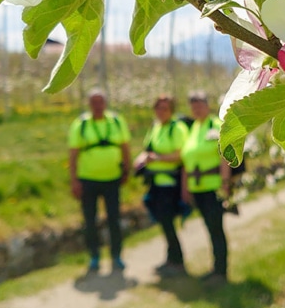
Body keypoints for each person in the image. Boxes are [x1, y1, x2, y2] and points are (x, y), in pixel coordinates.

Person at [68, 88, 131, 273]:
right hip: (88, 180)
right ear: (89, 105)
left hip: (112, 180)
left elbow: (125, 148)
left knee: (114, 219)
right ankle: (94, 256)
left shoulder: (117, 122)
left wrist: (126, 170)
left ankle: (116, 255)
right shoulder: (80, 125)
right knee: (90, 220)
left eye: (100, 102)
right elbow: (72, 155)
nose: (97, 106)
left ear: (105, 103)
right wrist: (74, 181)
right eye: (93, 102)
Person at [134, 95, 189, 278]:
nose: (161, 112)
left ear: (171, 110)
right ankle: (171, 258)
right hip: (155, 183)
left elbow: (181, 154)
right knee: (164, 223)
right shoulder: (155, 127)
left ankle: (177, 260)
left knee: (167, 221)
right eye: (158, 108)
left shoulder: (177, 128)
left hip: (170, 184)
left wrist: (157, 159)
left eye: (164, 108)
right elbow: (148, 149)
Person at [180, 90, 231, 285]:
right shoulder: (193, 129)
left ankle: (221, 272)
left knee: (216, 229)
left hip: (213, 187)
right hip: (197, 187)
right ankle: (215, 268)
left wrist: (225, 185)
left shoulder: (216, 126)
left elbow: (224, 158)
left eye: (199, 104)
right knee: (210, 229)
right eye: (193, 105)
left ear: (207, 105)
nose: (196, 108)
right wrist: (185, 188)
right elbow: (187, 159)